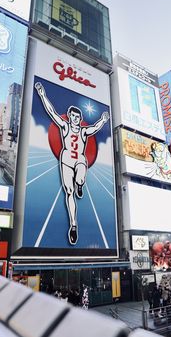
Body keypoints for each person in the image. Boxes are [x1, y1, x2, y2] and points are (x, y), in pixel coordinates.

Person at [35, 82, 109, 245]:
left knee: (80, 179)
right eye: (72, 116)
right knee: (69, 192)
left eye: (77, 117)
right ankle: (73, 225)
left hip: (80, 159)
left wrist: (103, 120)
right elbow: (51, 112)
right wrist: (42, 95)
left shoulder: (83, 131)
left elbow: (95, 127)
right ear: (69, 117)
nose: (75, 119)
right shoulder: (64, 127)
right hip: (66, 159)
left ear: (80, 119)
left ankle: (80, 183)